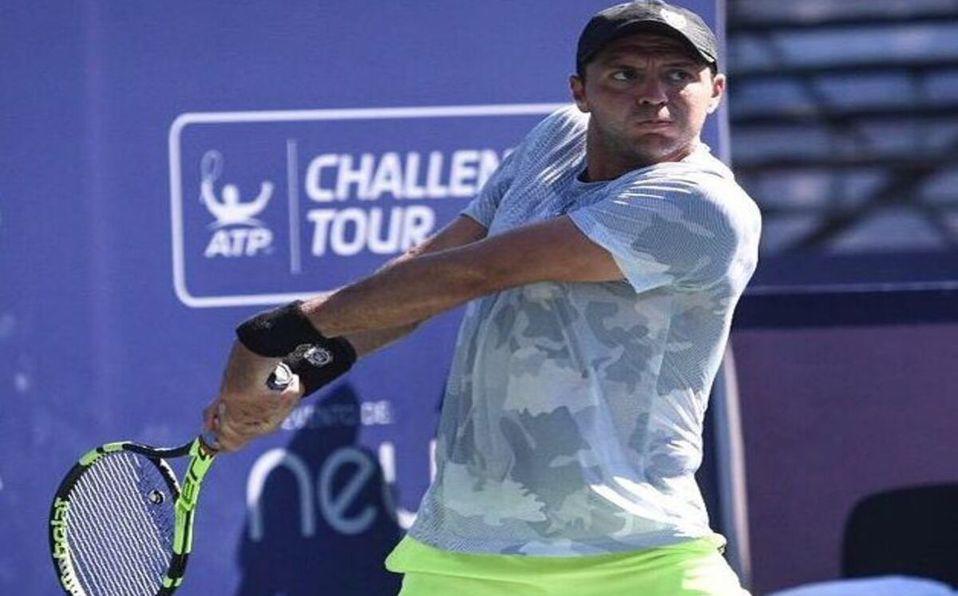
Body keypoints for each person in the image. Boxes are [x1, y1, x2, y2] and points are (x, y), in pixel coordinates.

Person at [205, 1, 761, 594]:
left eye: (678, 75)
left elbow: (473, 272)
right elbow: (428, 270)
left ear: (716, 91)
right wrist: (302, 368)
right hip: (464, 558)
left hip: (642, 563)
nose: (654, 96)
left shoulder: (701, 208)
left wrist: (274, 335)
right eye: (625, 75)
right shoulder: (556, 139)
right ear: (580, 92)